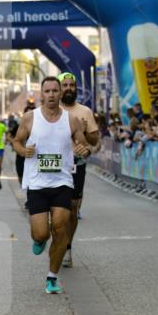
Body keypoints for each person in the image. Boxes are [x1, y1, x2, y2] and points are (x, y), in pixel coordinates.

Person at [12, 77, 93, 294]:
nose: (51, 95)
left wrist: (84, 150)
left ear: (59, 94)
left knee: (60, 228)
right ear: (41, 94)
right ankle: (40, 239)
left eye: (55, 91)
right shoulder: (30, 118)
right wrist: (22, 151)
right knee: (41, 233)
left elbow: (84, 145)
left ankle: (52, 277)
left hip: (62, 181)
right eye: (47, 91)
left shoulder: (72, 120)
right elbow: (17, 141)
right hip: (37, 183)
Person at [58, 72, 100, 268]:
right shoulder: (48, 110)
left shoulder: (85, 111)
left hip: (76, 163)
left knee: (72, 208)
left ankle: (67, 246)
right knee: (55, 208)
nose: (68, 88)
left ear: (75, 88)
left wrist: (84, 132)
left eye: (71, 85)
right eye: (64, 85)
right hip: (52, 162)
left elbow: (94, 140)